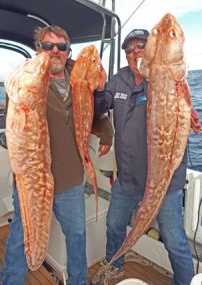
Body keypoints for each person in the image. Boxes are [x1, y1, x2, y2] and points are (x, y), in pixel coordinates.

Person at [0, 25, 112, 285]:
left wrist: (101, 91)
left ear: (68, 51)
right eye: (47, 46)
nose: (55, 51)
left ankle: (77, 282)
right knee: (20, 235)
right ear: (38, 50)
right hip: (31, 180)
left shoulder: (80, 74)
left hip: (70, 177)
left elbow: (97, 112)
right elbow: (16, 113)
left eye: (61, 47)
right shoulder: (27, 78)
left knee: (77, 236)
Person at [90, 29, 196, 285]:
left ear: (151, 50)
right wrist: (99, 89)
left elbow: (185, 111)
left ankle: (185, 281)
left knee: (174, 240)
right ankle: (115, 264)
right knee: (114, 225)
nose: (136, 51)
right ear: (125, 55)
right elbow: (99, 111)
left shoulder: (164, 77)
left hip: (165, 184)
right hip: (128, 179)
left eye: (142, 46)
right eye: (130, 48)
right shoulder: (119, 80)